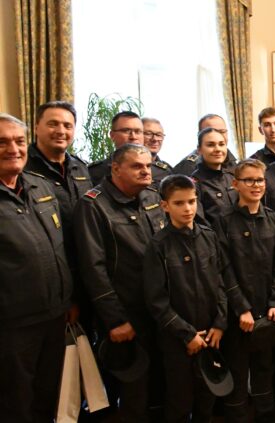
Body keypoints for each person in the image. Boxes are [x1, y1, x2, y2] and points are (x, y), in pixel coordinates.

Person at [74, 144, 167, 421]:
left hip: (159, 308)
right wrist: (115, 320)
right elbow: (93, 268)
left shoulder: (151, 197)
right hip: (126, 313)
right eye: (137, 166)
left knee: (161, 386)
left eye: (148, 166)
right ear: (115, 168)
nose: (146, 171)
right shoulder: (93, 205)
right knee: (133, 392)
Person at [142, 175, 236, 422]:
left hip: (211, 334)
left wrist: (220, 323)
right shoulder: (158, 245)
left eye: (192, 201)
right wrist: (186, 334)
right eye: (179, 203)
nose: (187, 208)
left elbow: (220, 283)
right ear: (165, 206)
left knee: (208, 396)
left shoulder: (208, 236)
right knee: (180, 400)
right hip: (178, 339)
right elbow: (156, 300)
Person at [0, 113, 72, 422]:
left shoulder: (40, 187)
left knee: (48, 395)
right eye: (2, 142)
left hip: (54, 316)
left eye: (19, 141)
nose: (13, 149)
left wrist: (69, 299)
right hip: (12, 325)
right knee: (15, 402)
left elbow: (61, 247)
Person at [213, 159, 275, 423]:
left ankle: (265, 413)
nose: (256, 185)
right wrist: (241, 307)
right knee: (238, 366)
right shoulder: (223, 221)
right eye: (249, 180)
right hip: (238, 312)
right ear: (235, 184)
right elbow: (223, 268)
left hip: (267, 308)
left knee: (264, 365)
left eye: (260, 180)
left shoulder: (273, 219)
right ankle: (238, 415)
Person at [26, 101, 90, 331]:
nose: (61, 131)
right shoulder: (22, 168)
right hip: (46, 282)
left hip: (84, 273)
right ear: (36, 126)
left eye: (67, 125)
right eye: (53, 124)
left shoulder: (81, 168)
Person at [191, 127, 237, 224]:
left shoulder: (233, 176)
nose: (218, 149)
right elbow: (200, 222)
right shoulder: (194, 184)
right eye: (210, 145)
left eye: (221, 144)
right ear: (199, 150)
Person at [88, 111, 145, 185]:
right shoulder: (94, 172)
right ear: (112, 135)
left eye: (138, 131)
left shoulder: (156, 172)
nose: (133, 137)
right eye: (126, 131)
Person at [172, 114, 238, 175]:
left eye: (222, 132)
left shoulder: (230, 160)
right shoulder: (189, 166)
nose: (218, 135)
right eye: (211, 131)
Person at [141, 117, 173, 188]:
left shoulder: (168, 170)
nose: (154, 139)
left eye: (159, 135)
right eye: (149, 134)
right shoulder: (128, 167)